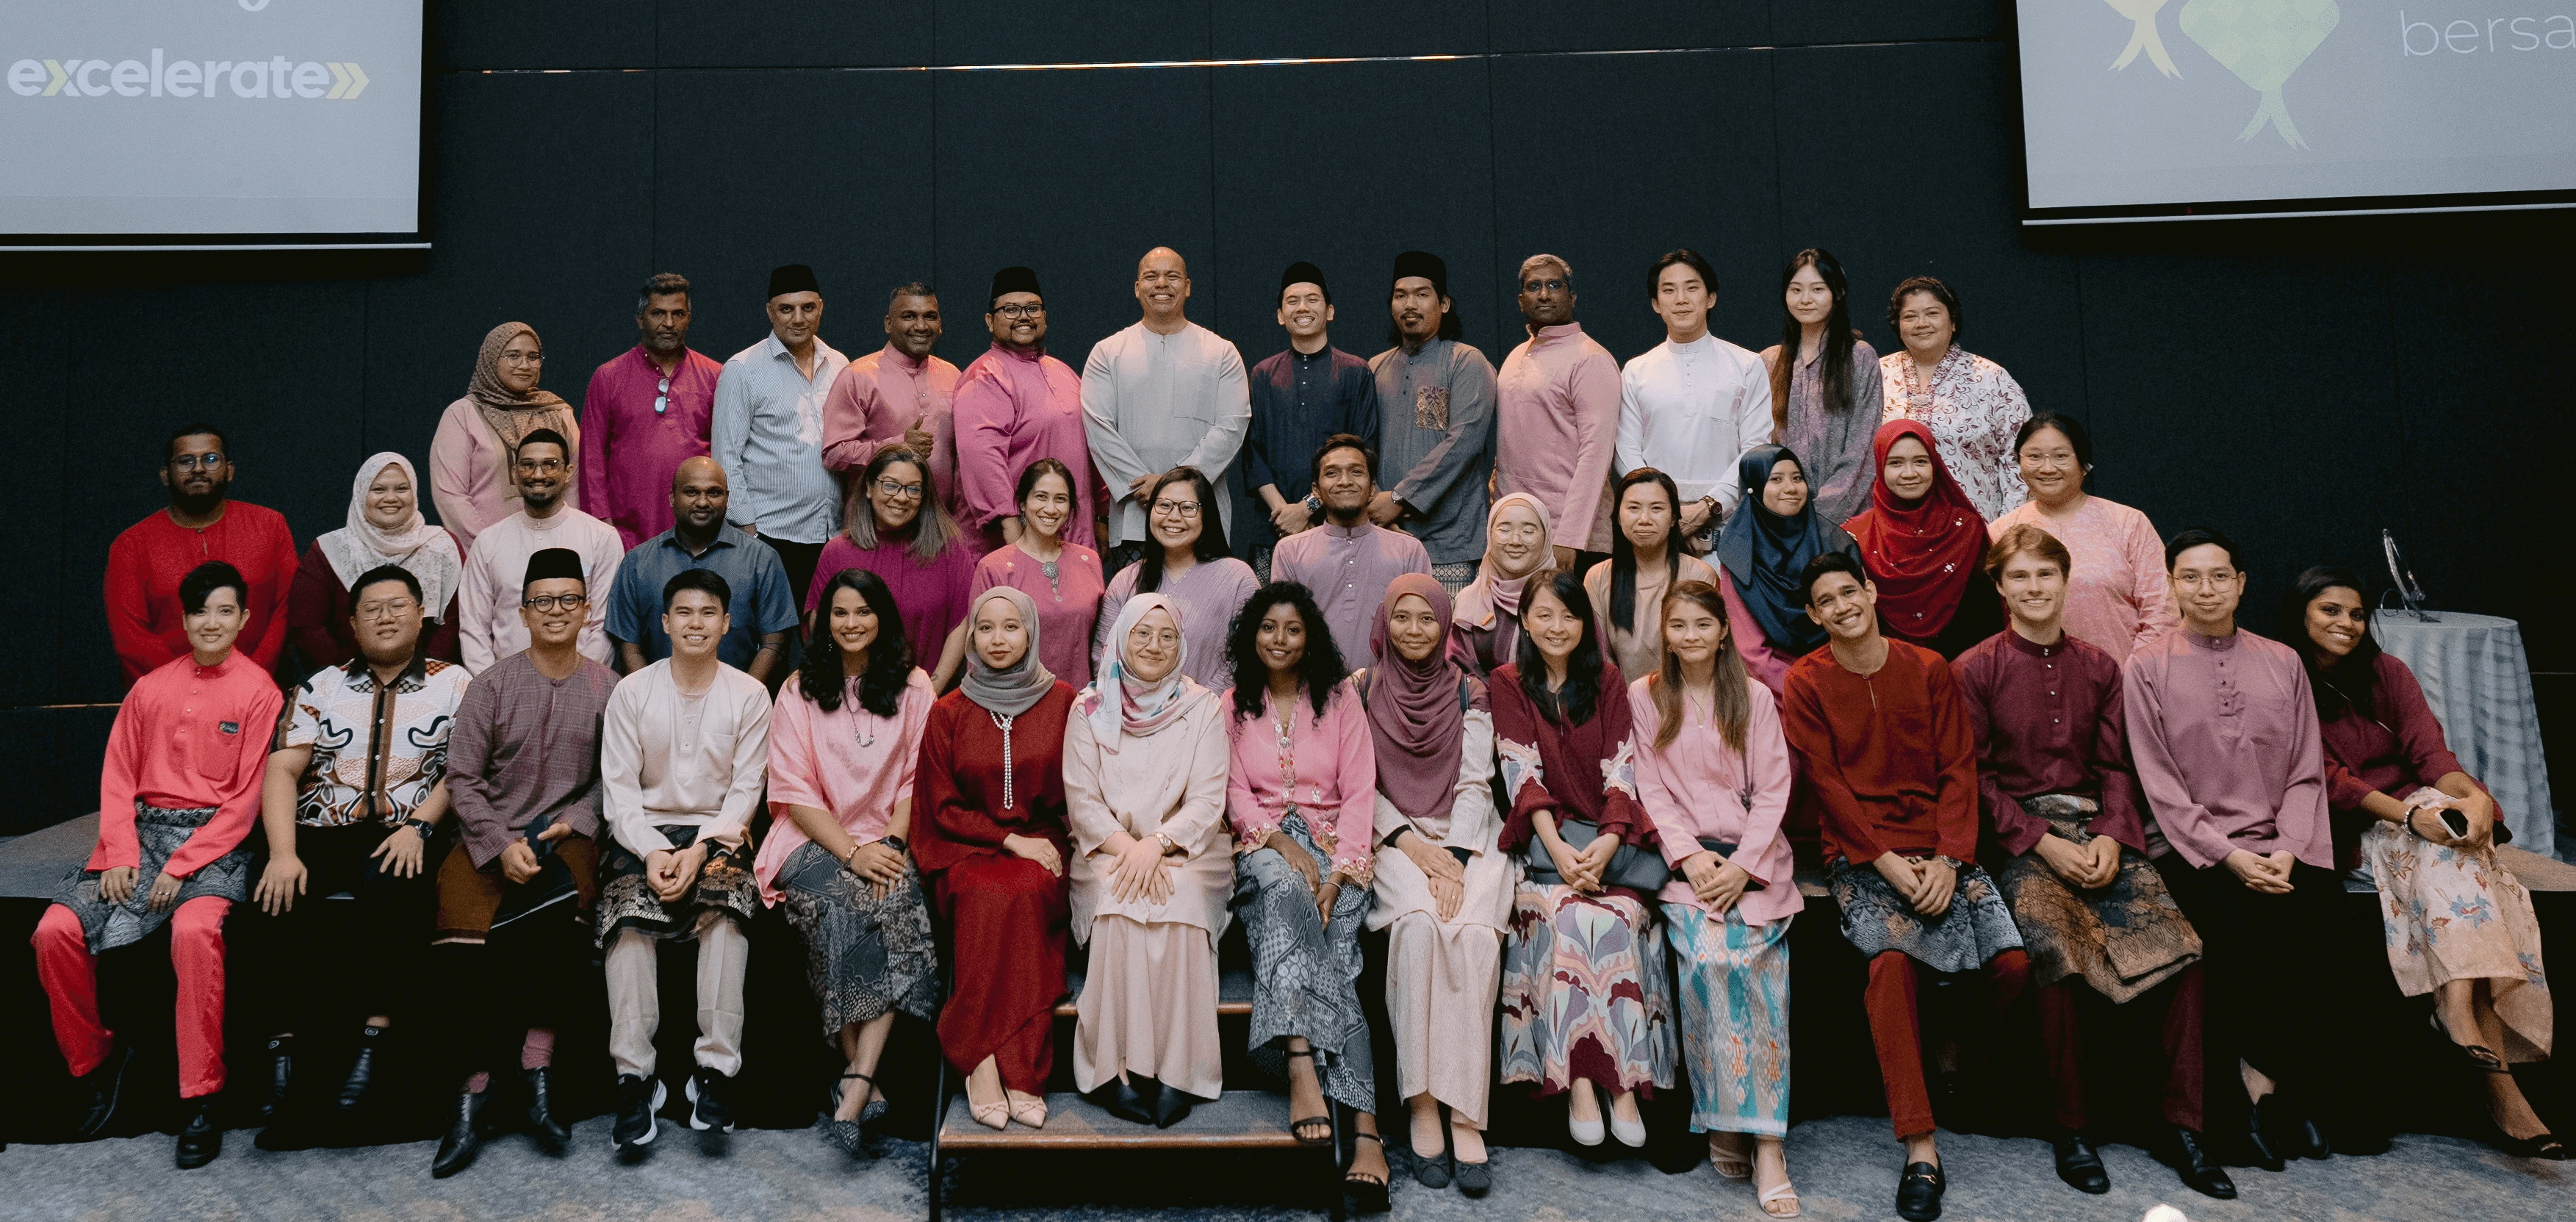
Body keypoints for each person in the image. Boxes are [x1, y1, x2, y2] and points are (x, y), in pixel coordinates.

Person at [1954, 527, 2231, 1199]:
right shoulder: (1974, 668)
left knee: (2183, 950)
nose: (2034, 588)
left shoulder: (2102, 667)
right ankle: (2071, 1127)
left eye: (2046, 575)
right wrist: (2041, 841)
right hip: (2022, 840)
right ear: (2000, 587)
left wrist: (2111, 835)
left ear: (2065, 580)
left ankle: (2184, 1126)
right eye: (2020, 577)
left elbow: (2116, 766)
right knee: (2056, 951)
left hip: (2099, 830)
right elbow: (1977, 779)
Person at [1781, 550, 2029, 1222]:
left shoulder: (1928, 666)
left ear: (1870, 591)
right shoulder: (1806, 681)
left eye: (1849, 591)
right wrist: (1884, 860)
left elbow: (1958, 767)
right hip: (1861, 854)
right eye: (1825, 601)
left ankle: (1958, 1061)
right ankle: (1921, 1145)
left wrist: (1949, 858)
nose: (1841, 606)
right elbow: (1827, 783)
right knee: (1890, 967)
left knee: (2012, 965)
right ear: (1813, 614)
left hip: (1943, 845)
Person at [2125, 528, 2383, 1166]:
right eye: (2190, 577)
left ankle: (2277, 1088)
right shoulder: (2146, 666)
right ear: (2172, 586)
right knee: (2235, 933)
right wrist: (2230, 856)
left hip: (2283, 844)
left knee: (2332, 931)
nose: (2206, 589)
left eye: (2220, 576)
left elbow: (2305, 771)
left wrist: (2288, 848)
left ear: (2241, 584)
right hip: (2193, 849)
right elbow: (2161, 785)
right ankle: (2245, 1095)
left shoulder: (2283, 661)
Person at [2284, 566, 2559, 1158]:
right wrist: (2411, 817)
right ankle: (2501, 1089)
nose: (2346, 623)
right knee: (2450, 854)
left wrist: (2474, 797)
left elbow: (2433, 756)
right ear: (2300, 614)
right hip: (2353, 821)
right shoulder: (2285, 677)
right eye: (2330, 610)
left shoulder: (2388, 672)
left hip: (2416, 813)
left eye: (2357, 614)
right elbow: (2328, 779)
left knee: (2456, 844)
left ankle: (2455, 1009)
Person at [37, 561, 284, 1168]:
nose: (212, 622)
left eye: (225, 611)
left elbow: (246, 800)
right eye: (201, 611)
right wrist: (121, 851)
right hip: (140, 835)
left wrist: (183, 864)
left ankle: (201, 1094)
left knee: (194, 932)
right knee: (54, 931)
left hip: (216, 844)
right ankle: (93, 1063)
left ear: (244, 619)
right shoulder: (149, 689)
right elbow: (118, 776)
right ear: (185, 619)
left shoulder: (261, 692)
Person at [247, 564, 470, 1125]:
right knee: (271, 892)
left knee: (394, 884)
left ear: (421, 615)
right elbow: (282, 770)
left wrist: (420, 826)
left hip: (405, 829)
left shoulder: (455, 683)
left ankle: (375, 1039)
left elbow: (463, 769)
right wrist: (283, 852)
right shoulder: (320, 686)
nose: (385, 617)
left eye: (398, 606)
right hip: (322, 829)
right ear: (352, 622)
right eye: (372, 608)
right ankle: (283, 1050)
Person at [426, 547, 620, 1177]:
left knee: (560, 923)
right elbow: (462, 777)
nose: (556, 610)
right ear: (524, 611)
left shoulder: (610, 688)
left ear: (587, 610)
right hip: (487, 836)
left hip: (566, 836)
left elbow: (612, 780)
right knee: (464, 938)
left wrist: (576, 821)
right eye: (543, 601)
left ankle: (537, 1072)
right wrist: (497, 842)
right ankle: (474, 1089)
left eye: (569, 599)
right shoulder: (490, 685)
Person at [1630, 579, 1802, 1218]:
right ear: (1666, 634)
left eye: (1703, 624)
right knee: (1706, 959)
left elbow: (1775, 786)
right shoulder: (1646, 695)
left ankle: (1768, 1144)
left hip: (1752, 863)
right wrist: (1692, 857)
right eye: (1679, 625)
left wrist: (1743, 865)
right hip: (1688, 866)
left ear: (1723, 630)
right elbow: (1650, 786)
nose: (1692, 635)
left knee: (1756, 966)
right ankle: (1724, 1117)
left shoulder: (1751, 696)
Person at [759, 569, 940, 1158]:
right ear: (822, 621)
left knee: (896, 902)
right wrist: (853, 852)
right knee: (838, 909)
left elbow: (917, 777)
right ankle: (864, 1077)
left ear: (882, 617)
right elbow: (794, 791)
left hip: (888, 837)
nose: (851, 622)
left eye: (863, 611)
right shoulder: (799, 688)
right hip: (811, 838)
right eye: (840, 612)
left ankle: (857, 1081)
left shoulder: (915, 687)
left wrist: (890, 845)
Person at [1492, 572, 1672, 1162]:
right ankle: (1582, 1083)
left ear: (1584, 623)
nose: (1556, 626)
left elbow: (1623, 770)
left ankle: (1625, 1086)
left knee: (1616, 919)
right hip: (1547, 850)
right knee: (1568, 920)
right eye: (1542, 615)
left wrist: (1609, 841)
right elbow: (1522, 775)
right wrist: (1562, 853)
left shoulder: (1608, 680)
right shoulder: (1508, 682)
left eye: (1568, 615)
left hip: (1609, 844)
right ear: (1525, 621)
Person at [596, 569, 775, 1154]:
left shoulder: (749, 694)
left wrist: (700, 851)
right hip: (641, 833)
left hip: (717, 835)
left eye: (708, 613)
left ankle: (715, 1073)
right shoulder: (632, 692)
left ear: (726, 623)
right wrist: (652, 850)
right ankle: (635, 1080)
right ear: (665, 623)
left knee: (727, 910)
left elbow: (746, 790)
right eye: (684, 612)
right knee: (627, 917)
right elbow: (619, 792)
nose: (696, 623)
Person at [1221, 582, 1389, 1204]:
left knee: (1339, 951)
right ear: (1252, 635)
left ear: (1310, 635)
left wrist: (1341, 873)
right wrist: (1278, 841)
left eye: (1293, 629)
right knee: (1287, 890)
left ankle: (1361, 1125)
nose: (1280, 639)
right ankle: (1305, 1068)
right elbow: (1234, 791)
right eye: (1269, 627)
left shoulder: (1340, 700)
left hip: (1337, 850)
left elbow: (1361, 790)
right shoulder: (1232, 704)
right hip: (1260, 849)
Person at [1357, 576, 1504, 1197]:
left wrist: (1457, 858)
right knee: (1418, 930)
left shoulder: (1471, 690)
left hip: (1469, 837)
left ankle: (1466, 1112)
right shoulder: (1360, 688)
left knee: (1473, 938)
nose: (1414, 629)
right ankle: (1421, 1102)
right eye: (1402, 617)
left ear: (1445, 625)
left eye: (1426, 618)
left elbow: (1475, 781)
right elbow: (1359, 784)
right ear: (1384, 623)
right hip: (1394, 839)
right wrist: (1415, 848)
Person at [1064, 594, 1234, 1128]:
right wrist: (1130, 848)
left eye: (1166, 636)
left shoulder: (1203, 707)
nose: (1154, 646)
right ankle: (1111, 1069)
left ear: (1181, 644)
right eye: (1142, 633)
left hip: (1189, 848)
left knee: (1181, 902)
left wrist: (1157, 844)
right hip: (1108, 849)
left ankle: (1180, 1071)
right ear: (1122, 638)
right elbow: (1083, 800)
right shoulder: (1089, 708)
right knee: (1118, 903)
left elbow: (1207, 800)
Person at [912, 586, 1076, 1131]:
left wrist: (1033, 843)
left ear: (1031, 632)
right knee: (983, 892)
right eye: (985, 628)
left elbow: (1080, 790)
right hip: (964, 844)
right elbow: (940, 805)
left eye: (1011, 626)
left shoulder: (1064, 701)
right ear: (971, 639)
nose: (998, 639)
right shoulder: (948, 711)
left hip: (1044, 840)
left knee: (1027, 891)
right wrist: (1007, 840)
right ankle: (981, 1061)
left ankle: (1015, 1061)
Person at [1082, 247, 1252, 566]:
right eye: (1151, 276)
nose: (1161, 283)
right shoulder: (1107, 353)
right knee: (1137, 599)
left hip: (1203, 516)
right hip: (1135, 515)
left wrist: (1170, 486)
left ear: (1187, 287)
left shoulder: (1222, 352)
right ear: (1137, 288)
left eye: (1172, 276)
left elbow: (1232, 426)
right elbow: (1099, 429)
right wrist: (1146, 484)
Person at [107, 424, 298, 685]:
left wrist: (249, 681)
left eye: (210, 459)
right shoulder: (131, 545)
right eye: (185, 461)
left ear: (229, 471)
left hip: (262, 690)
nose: (198, 468)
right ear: (166, 475)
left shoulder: (270, 526)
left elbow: (286, 609)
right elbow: (131, 637)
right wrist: (188, 689)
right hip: (168, 696)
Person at [1985, 413, 2176, 662]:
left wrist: (2134, 673)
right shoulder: (2000, 532)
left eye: (2061, 456)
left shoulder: (2128, 523)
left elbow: (2163, 612)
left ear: (2084, 463)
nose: (2047, 468)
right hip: (2029, 678)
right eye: (2034, 456)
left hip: (2123, 676)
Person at [1619, 248, 1775, 546]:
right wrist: (1662, 511)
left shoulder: (1746, 365)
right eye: (1669, 290)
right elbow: (1626, 450)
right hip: (1655, 525)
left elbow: (1755, 449)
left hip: (1730, 522)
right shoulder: (1636, 371)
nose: (1681, 299)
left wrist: (1706, 509)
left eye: (1692, 288)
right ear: (1656, 304)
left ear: (1711, 298)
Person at [1236, 262, 1381, 577]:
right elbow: (1253, 454)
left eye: (1312, 299)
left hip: (1337, 523)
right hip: (1274, 526)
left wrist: (1307, 508)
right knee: (1275, 607)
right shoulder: (1263, 374)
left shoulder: (1355, 371)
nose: (1302, 308)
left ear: (1329, 311)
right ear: (1280, 315)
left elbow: (1365, 450)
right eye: (1293, 301)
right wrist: (1284, 513)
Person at [716, 264, 850, 602]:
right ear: (770, 312)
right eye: (787, 309)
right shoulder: (743, 369)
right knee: (774, 633)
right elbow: (726, 457)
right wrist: (749, 533)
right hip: (770, 536)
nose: (798, 318)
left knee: (826, 633)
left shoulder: (840, 364)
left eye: (808, 308)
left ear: (821, 307)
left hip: (830, 535)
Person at [1369, 251, 1497, 592]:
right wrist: (1375, 502)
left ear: (1444, 304)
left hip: (1450, 543)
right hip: (1387, 538)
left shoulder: (1465, 362)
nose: (1410, 304)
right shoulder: (1376, 368)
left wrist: (1399, 498)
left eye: (1422, 294)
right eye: (1400, 295)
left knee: (1449, 628)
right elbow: (1362, 446)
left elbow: (1463, 444)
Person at [606, 457, 797, 684]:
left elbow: (775, 643)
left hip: (739, 699)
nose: (703, 502)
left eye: (714, 493)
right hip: (655, 700)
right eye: (691, 492)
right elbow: (628, 645)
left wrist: (744, 698)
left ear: (727, 498)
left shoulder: (761, 559)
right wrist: (651, 697)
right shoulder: (637, 563)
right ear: (672, 498)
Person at [456, 428, 624, 675]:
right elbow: (474, 628)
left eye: (550, 464)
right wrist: (492, 686)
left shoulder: (601, 538)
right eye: (527, 465)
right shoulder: (489, 542)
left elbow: (604, 624)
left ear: (568, 472)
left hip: (582, 683)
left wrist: (579, 682)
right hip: (506, 685)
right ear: (515, 473)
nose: (538, 474)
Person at [954, 265, 1098, 552]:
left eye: (1032, 308)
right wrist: (1016, 535)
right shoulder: (986, 376)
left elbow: (1094, 449)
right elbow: (983, 459)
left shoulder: (1064, 372)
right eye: (1010, 310)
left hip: (1073, 541)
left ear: (1044, 317)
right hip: (1013, 543)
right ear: (990, 321)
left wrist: (1100, 521)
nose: (1023, 316)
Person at [808, 448, 975, 690]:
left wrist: (930, 691)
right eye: (890, 485)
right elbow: (820, 626)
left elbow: (963, 623)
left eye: (913, 489)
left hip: (931, 695)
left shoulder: (950, 550)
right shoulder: (837, 552)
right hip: (852, 696)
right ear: (869, 487)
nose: (901, 497)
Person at [580, 273, 724, 550]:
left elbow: (726, 453)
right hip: (626, 534)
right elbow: (592, 459)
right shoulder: (608, 377)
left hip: (698, 530)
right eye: (658, 313)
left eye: (678, 314)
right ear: (640, 319)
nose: (668, 323)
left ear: (688, 318)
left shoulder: (715, 375)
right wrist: (601, 526)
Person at [1497, 254, 1621, 567]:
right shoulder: (1515, 356)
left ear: (1572, 298)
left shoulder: (1590, 359)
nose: (1544, 294)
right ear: (1521, 301)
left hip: (1571, 541)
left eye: (1554, 285)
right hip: (1518, 532)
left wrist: (1570, 538)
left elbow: (1596, 456)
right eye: (1534, 286)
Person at [1268, 435, 1431, 667]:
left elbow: (1422, 633)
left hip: (1388, 685)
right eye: (1332, 473)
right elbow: (1284, 632)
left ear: (1372, 489)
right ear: (1316, 490)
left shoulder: (1409, 551)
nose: (1345, 481)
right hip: (1315, 685)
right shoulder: (1290, 551)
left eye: (1356, 472)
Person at [1843, 420, 2001, 659]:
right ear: (1879, 466)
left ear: (1935, 464)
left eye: (1920, 461)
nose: (1910, 473)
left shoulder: (1966, 529)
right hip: (1884, 668)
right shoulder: (1855, 535)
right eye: (1895, 463)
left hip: (1964, 665)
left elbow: (1987, 614)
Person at [289, 452, 464, 668]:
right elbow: (307, 625)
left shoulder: (442, 545)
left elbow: (455, 620)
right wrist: (347, 675)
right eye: (378, 489)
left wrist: (427, 672)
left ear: (414, 492)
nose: (391, 498)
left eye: (402, 489)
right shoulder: (328, 549)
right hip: (345, 677)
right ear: (361, 494)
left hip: (430, 677)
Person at [1711, 445, 1860, 696]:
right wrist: (1807, 690)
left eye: (1797, 478)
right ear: (1754, 487)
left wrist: (1840, 682)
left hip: (1846, 676)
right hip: (1779, 689)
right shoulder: (1739, 553)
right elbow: (1751, 652)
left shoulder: (1835, 543)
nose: (1791, 488)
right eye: (1776, 479)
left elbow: (1858, 620)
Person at [1879, 277, 2029, 523]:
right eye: (1910, 316)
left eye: (1932, 313)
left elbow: (2020, 457)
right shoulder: (1877, 375)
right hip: (1893, 528)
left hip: (1977, 527)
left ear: (1953, 321)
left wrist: (2006, 528)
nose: (1922, 323)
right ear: (1898, 325)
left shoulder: (1991, 378)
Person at [1095, 467, 1259, 690]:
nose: (1173, 517)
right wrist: (1137, 706)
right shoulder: (1126, 580)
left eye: (1188, 508)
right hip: (1129, 710)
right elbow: (1103, 656)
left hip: (1210, 708)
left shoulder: (1237, 578)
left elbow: (1244, 658)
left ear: (1207, 515)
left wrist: (1195, 705)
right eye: (1164, 505)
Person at [822, 282, 965, 534]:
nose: (921, 326)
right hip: (873, 530)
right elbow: (833, 454)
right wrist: (899, 446)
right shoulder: (858, 376)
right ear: (889, 324)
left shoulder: (953, 375)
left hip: (938, 529)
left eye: (930, 316)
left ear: (940, 324)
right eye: (909, 316)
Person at [433, 321, 583, 556]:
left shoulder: (559, 412)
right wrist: (491, 547)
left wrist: (566, 540)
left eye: (533, 357)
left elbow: (573, 484)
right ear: (492, 359)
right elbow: (450, 495)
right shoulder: (463, 414)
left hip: (554, 549)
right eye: (513, 356)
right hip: (487, 551)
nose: (525, 365)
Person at [1760, 248, 1882, 527]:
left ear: (1838, 293)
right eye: (1796, 290)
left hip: (1847, 519)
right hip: (1779, 518)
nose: (1805, 299)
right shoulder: (1769, 361)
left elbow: (1862, 450)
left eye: (1817, 289)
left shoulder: (1860, 357)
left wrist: (1821, 516)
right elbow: (1759, 446)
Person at [971, 458, 1105, 687]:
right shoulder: (994, 568)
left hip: (1079, 700)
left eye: (1060, 499)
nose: (1051, 509)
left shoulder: (1089, 561)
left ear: (1070, 507)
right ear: (1023, 503)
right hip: (1016, 699)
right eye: (1041, 497)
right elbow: (979, 654)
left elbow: (1101, 642)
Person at [1584, 467, 1718, 680]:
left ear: (1673, 518)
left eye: (1657, 508)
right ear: (1618, 516)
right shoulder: (1598, 577)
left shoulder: (1699, 575)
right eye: (1634, 508)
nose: (1644, 519)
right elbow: (1599, 656)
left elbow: (1706, 655)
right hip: (1620, 697)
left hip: (1687, 695)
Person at [1448, 493, 1553, 675]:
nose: (1515, 541)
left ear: (1546, 538)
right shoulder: (1471, 599)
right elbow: (1459, 670)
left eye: (1528, 532)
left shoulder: (1564, 598)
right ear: (1489, 535)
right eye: (1504, 530)